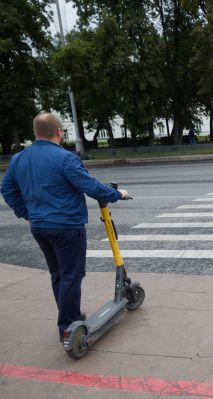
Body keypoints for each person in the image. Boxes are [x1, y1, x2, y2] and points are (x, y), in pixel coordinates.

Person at [1, 113, 128, 343]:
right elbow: (90, 186)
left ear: (35, 132)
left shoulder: (19, 158)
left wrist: (26, 213)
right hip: (66, 227)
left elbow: (7, 189)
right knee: (71, 275)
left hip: (39, 227)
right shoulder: (64, 158)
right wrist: (118, 194)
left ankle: (69, 316)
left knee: (58, 273)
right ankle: (68, 329)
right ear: (59, 131)